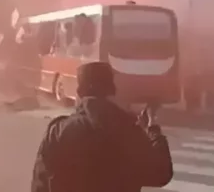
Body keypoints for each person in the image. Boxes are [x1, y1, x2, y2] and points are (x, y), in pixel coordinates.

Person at [31, 62, 174, 192]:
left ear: (79, 94)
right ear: (112, 92)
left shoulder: (58, 131)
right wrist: (153, 129)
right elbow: (161, 173)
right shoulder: (128, 131)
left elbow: (40, 184)